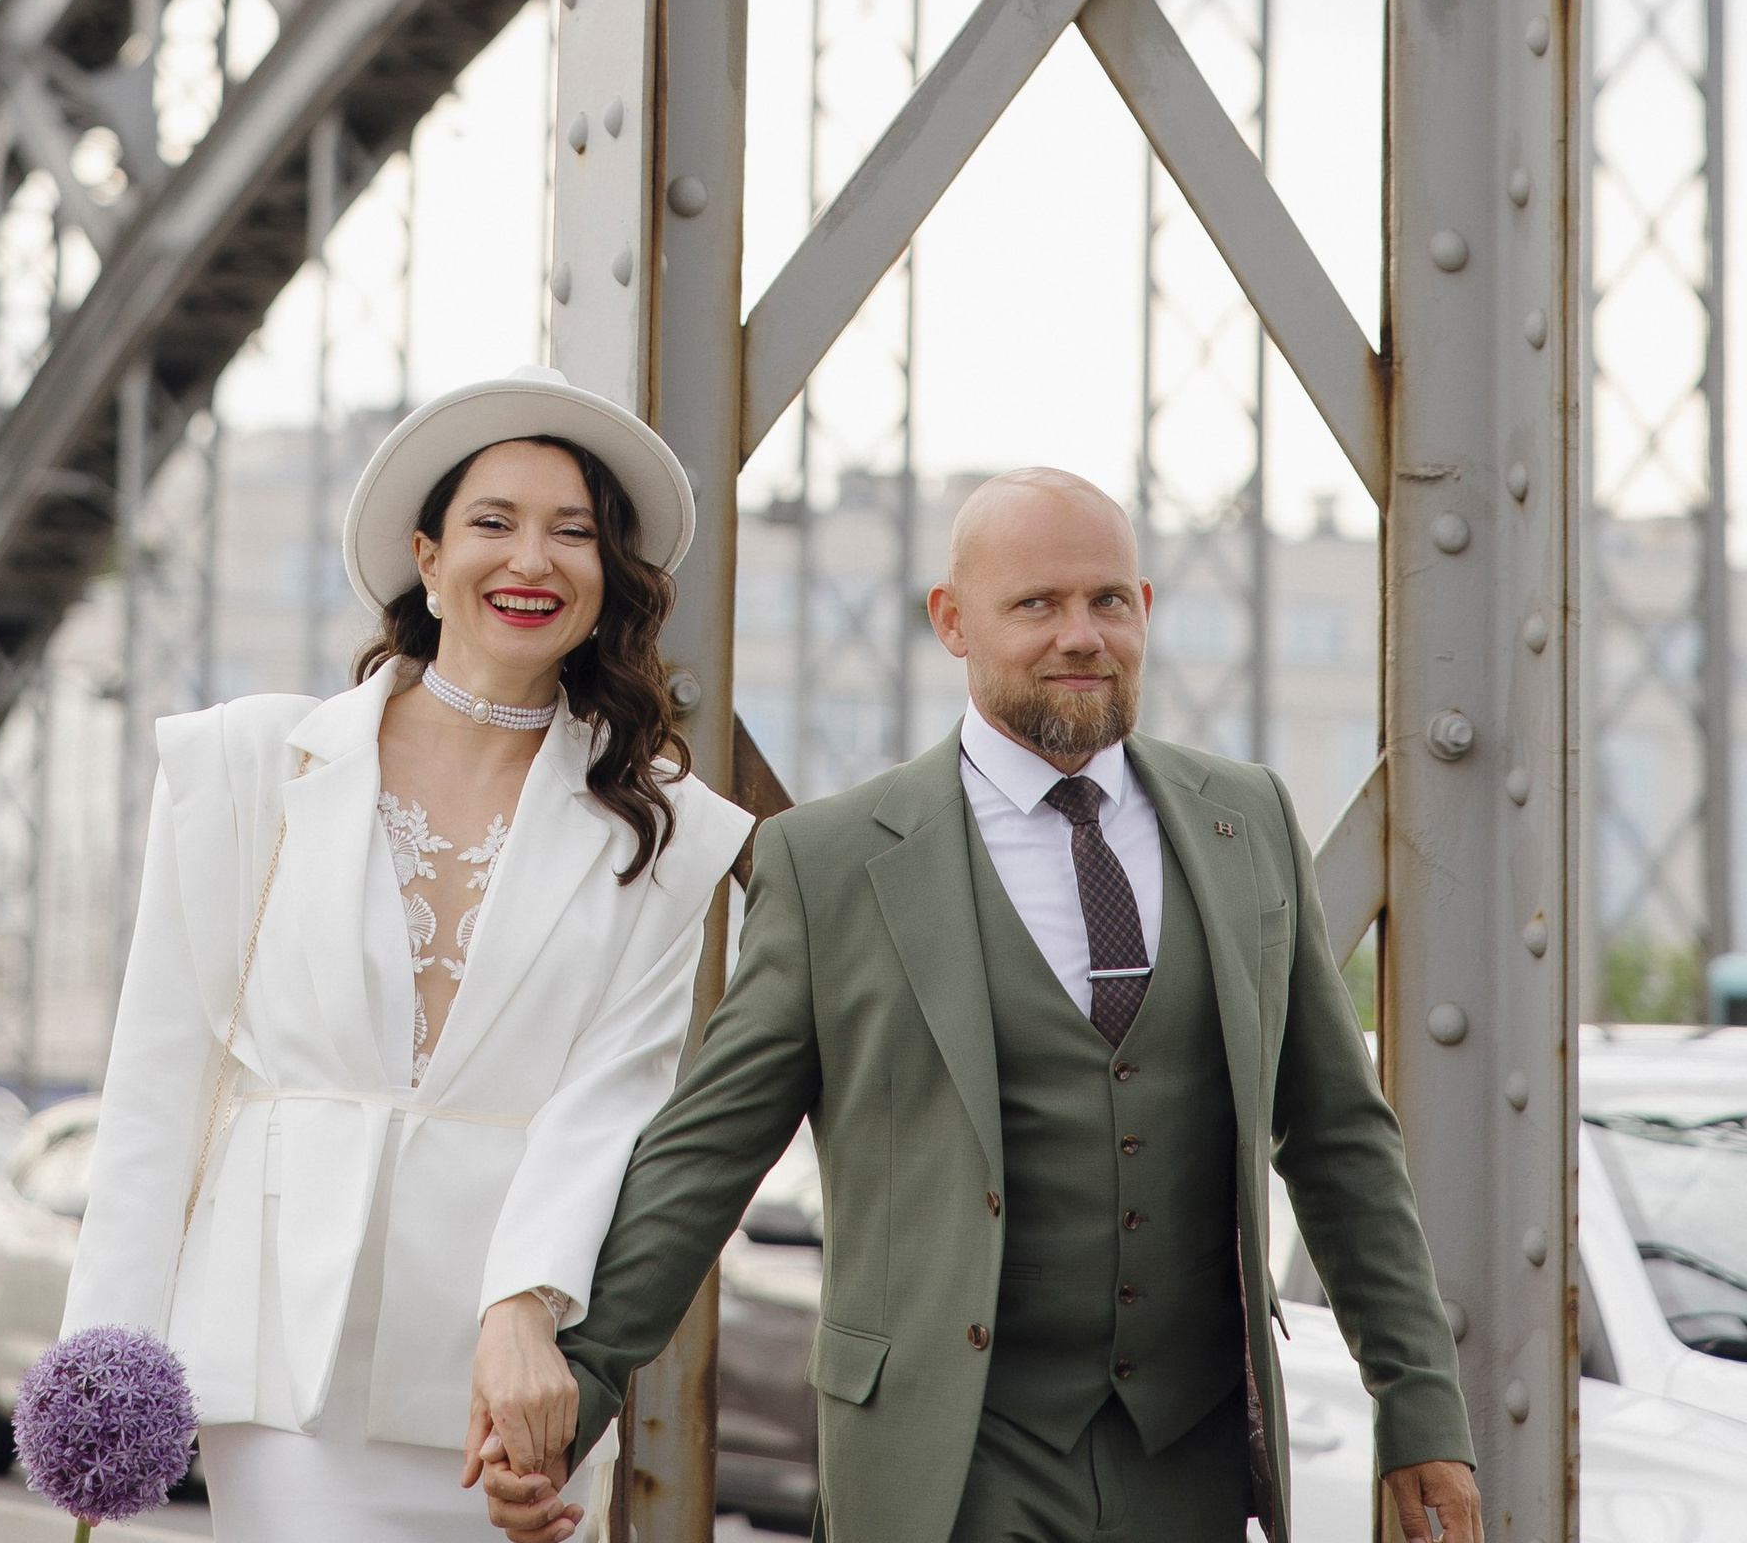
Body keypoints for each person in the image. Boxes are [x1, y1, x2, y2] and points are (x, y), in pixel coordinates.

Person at [478, 466, 1482, 1543]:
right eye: (1035, 605)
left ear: (1144, 611)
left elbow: (1339, 1140)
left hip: (1186, 1459)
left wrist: (1421, 1410)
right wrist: (572, 1398)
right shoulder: (832, 865)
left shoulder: (1247, 819)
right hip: (946, 1461)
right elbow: (704, 1156)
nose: (1080, 635)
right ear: (952, 623)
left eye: (1106, 600)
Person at [59, 364, 751, 1540]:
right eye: (494, 524)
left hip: (502, 1370)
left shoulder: (667, 828)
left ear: (608, 582)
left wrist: (530, 1315)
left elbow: (610, 1103)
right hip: (274, 1347)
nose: (531, 560)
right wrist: (103, 1363)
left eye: (571, 534)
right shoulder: (251, 765)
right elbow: (160, 1071)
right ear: (426, 560)